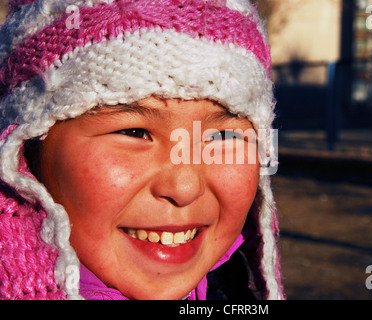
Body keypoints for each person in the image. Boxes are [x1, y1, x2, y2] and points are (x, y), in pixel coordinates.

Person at [0, 0, 284, 300]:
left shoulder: (230, 290)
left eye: (222, 137)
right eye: (134, 132)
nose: (185, 187)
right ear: (27, 151)